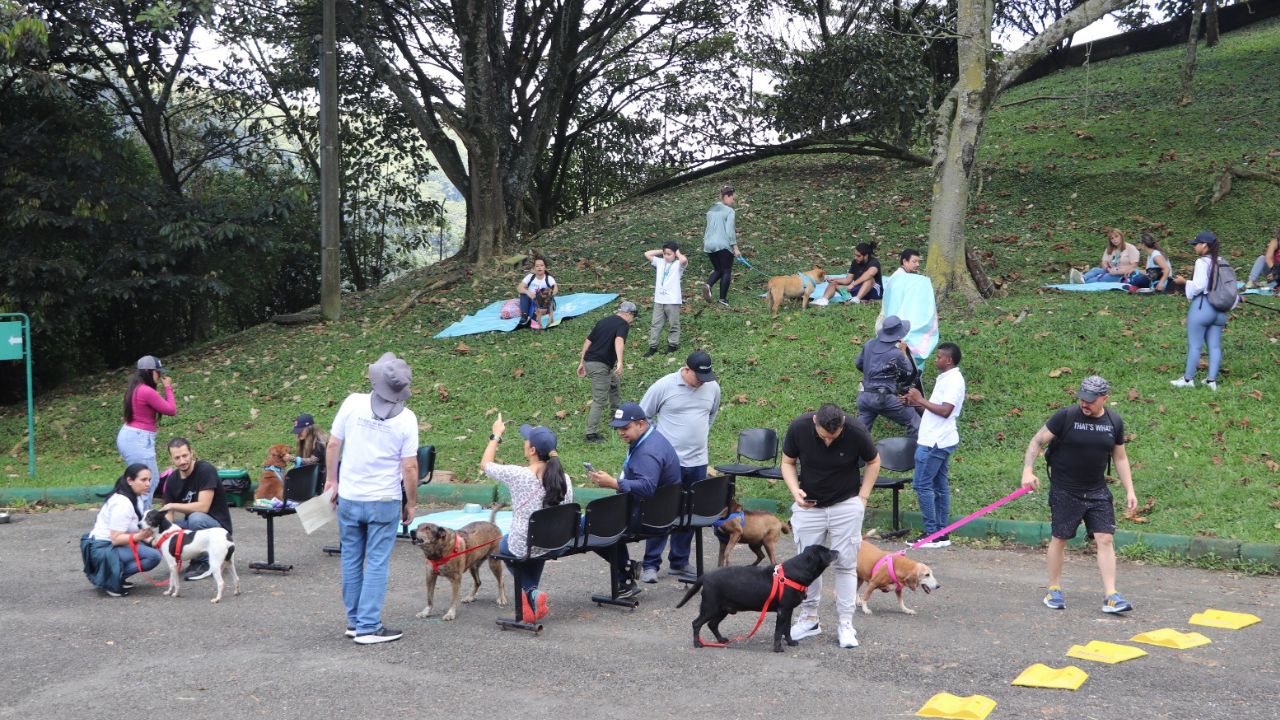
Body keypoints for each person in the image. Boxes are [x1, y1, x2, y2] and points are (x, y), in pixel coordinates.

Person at [324, 352, 420, 644]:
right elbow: (410, 466)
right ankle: (368, 626)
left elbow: (333, 444)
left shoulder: (353, 403)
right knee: (377, 562)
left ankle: (354, 622)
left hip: (351, 497)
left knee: (351, 560)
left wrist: (332, 480)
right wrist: (411, 502)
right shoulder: (407, 419)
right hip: (384, 500)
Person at [1021, 375, 1137, 614]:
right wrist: (1027, 471)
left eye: (1091, 400)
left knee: (1105, 538)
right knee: (1060, 538)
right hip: (1066, 489)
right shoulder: (1066, 416)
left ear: (1105, 398)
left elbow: (1120, 457)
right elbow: (1036, 442)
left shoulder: (1114, 421)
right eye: (1082, 399)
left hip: (1096, 489)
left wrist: (1130, 490)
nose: (1085, 404)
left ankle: (1111, 595)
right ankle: (1053, 589)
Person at [781, 403, 881, 649]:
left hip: (845, 504)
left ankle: (846, 623)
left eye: (833, 437)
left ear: (842, 426)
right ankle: (809, 618)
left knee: (846, 564)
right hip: (809, 506)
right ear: (815, 421)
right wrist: (795, 491)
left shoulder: (856, 430)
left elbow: (874, 462)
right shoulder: (798, 427)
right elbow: (787, 462)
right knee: (807, 564)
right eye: (824, 435)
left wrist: (863, 498)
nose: (828, 441)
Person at [638, 351, 721, 582]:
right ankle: (650, 564)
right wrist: (657, 446)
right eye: (698, 377)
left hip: (697, 461)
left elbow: (711, 415)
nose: (702, 382)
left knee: (689, 512)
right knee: (661, 510)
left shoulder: (712, 387)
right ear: (685, 369)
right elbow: (642, 417)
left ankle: (680, 561)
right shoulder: (664, 386)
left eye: (706, 377)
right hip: (667, 463)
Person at [586, 402, 681, 599]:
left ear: (640, 424)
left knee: (591, 526)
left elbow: (647, 487)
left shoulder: (647, 451)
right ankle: (627, 572)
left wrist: (614, 483)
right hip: (660, 510)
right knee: (601, 522)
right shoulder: (652, 438)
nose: (621, 432)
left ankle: (626, 573)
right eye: (618, 428)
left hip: (649, 516)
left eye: (625, 428)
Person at [482, 415, 572, 623]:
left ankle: (531, 592)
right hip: (555, 543)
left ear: (532, 451)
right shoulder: (564, 478)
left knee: (505, 545)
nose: (524, 442)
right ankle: (532, 602)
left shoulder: (520, 475)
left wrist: (496, 435)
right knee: (535, 543)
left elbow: (486, 464)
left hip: (525, 544)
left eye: (526, 440)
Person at [901, 342, 965, 548]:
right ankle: (941, 532)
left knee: (922, 485)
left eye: (939, 357)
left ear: (949, 360)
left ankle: (932, 533)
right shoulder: (946, 378)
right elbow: (936, 408)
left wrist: (921, 399)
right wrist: (915, 402)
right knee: (939, 486)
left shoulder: (954, 380)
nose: (936, 359)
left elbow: (946, 411)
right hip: (937, 438)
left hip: (935, 442)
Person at [80, 463, 160, 597]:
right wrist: (139, 538)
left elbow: (134, 527)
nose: (148, 484)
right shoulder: (122, 504)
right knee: (153, 556)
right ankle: (111, 579)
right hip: (102, 548)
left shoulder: (136, 496)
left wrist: (153, 541)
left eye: (149, 480)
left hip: (111, 545)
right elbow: (116, 539)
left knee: (155, 550)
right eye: (143, 480)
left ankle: (116, 577)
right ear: (130, 480)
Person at [1171, 230, 1236, 391]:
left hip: (1203, 307)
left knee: (1195, 345)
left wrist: (1184, 282)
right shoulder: (1223, 262)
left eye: (1196, 244)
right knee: (1215, 346)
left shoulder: (1202, 262)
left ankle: (1187, 380)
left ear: (1204, 245)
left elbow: (1199, 286)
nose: (1195, 247)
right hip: (1220, 310)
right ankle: (1211, 380)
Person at [162, 437, 233, 581]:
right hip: (193, 525)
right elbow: (168, 513)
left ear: (191, 453)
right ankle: (178, 558)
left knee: (196, 518)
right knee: (159, 530)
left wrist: (173, 505)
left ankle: (203, 562)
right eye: (177, 458)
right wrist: (165, 534)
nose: (182, 461)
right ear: (171, 459)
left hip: (217, 529)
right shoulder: (171, 480)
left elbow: (203, 507)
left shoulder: (205, 470)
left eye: (185, 456)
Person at [115, 355, 176, 510]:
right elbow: (171, 410)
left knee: (144, 480)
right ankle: (143, 518)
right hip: (137, 439)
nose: (160, 376)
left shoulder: (136, 388)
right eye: (158, 372)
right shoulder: (146, 391)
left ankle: (135, 513)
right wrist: (168, 388)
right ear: (148, 372)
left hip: (133, 436)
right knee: (148, 481)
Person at [577, 300, 637, 443]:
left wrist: (581, 362)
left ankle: (616, 418)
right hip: (599, 365)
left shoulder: (604, 321)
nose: (632, 320)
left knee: (614, 385)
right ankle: (590, 434)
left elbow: (588, 341)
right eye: (633, 317)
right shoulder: (623, 324)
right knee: (599, 399)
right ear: (628, 314)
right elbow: (619, 341)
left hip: (592, 362)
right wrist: (621, 362)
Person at [855, 315, 920, 441]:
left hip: (864, 396)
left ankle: (859, 459)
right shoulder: (895, 353)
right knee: (914, 422)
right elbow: (909, 372)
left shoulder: (869, 344)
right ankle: (911, 456)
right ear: (898, 334)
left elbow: (859, 364)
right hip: (883, 398)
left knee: (861, 433)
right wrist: (903, 352)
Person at [879, 248, 939, 363]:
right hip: (890, 321)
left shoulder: (908, 277)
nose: (917, 264)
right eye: (914, 261)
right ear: (905, 262)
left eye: (918, 262)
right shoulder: (899, 278)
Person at [643, 242, 689, 357]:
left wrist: (677, 252)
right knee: (656, 324)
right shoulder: (660, 262)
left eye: (669, 254)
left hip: (672, 300)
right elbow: (647, 254)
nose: (666, 256)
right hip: (659, 300)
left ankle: (672, 345)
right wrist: (662, 250)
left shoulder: (678, 264)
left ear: (675, 254)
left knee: (674, 323)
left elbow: (684, 260)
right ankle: (653, 346)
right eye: (665, 254)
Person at [702, 184, 739, 308]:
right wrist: (735, 247)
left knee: (719, 269)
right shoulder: (729, 211)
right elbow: (730, 231)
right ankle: (722, 299)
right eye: (733, 198)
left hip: (709, 244)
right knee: (727, 270)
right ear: (727, 196)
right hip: (722, 244)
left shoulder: (711, 209)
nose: (733, 201)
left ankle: (708, 285)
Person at [812, 241, 882, 306]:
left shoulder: (874, 262)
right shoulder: (855, 262)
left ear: (866, 256)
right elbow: (848, 280)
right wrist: (836, 280)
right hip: (857, 289)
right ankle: (824, 300)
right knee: (833, 284)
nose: (855, 258)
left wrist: (853, 284)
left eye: (858, 256)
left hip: (873, 292)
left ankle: (856, 300)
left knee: (870, 279)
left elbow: (870, 274)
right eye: (855, 255)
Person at [516, 257, 557, 327]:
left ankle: (535, 316)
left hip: (543, 302)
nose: (539, 268)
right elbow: (519, 288)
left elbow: (555, 289)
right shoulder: (530, 277)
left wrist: (547, 295)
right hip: (531, 300)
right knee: (523, 294)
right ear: (534, 268)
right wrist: (527, 292)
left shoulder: (549, 278)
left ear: (545, 267)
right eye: (537, 266)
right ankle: (524, 315)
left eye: (541, 265)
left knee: (542, 305)